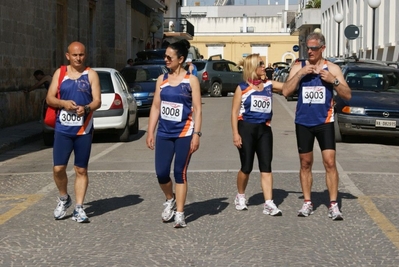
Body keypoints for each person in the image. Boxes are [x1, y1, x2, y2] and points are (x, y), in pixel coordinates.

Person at [282, 32, 351, 220]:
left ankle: (334, 205)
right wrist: (301, 74)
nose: (310, 51)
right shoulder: (298, 66)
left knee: (330, 162)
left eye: (313, 48)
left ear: (322, 48)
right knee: (305, 163)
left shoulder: (333, 68)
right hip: (303, 122)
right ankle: (307, 202)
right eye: (307, 48)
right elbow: (286, 91)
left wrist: (333, 81)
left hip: (325, 122)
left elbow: (347, 95)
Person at [146, 39, 202, 228]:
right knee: (161, 173)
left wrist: (197, 134)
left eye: (169, 57)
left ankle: (180, 213)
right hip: (164, 132)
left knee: (180, 172)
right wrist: (150, 131)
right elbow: (155, 107)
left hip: (184, 133)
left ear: (181, 59)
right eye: (165, 56)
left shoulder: (191, 80)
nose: (166, 60)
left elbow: (197, 109)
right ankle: (170, 199)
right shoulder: (162, 80)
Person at [46, 41, 101, 223]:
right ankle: (64, 198)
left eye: (82, 55)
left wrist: (86, 108)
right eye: (75, 55)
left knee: (81, 169)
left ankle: (79, 208)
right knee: (58, 168)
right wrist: (63, 104)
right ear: (67, 56)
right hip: (63, 128)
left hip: (83, 129)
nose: (79, 58)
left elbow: (97, 101)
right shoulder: (60, 73)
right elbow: (50, 98)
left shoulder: (91, 74)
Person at [231, 53, 284, 216]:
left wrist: (302, 73)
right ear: (252, 67)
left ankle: (268, 203)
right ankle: (240, 195)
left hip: (264, 129)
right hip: (246, 128)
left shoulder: (268, 84)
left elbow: (287, 87)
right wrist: (235, 134)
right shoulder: (242, 87)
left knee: (266, 166)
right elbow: (234, 113)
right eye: (261, 64)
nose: (264, 67)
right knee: (246, 166)